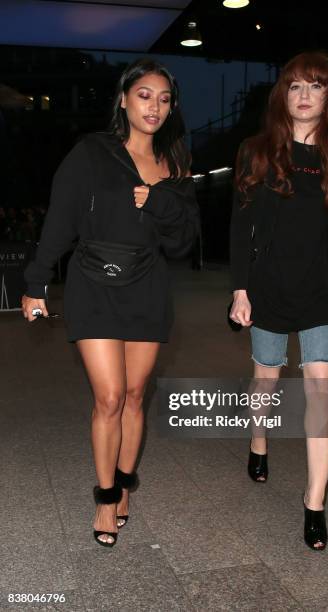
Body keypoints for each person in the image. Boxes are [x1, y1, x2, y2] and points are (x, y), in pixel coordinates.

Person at [21, 58, 199, 548]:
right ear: (124, 99)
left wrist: (158, 199)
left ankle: (124, 486)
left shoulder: (177, 162)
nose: (154, 107)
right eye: (144, 95)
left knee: (137, 397)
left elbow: (184, 241)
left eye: (164, 99)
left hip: (147, 287)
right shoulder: (92, 153)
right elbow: (60, 219)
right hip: (93, 284)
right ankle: (104, 497)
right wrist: (36, 283)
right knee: (110, 397)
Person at [229, 52, 328, 550]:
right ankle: (258, 442)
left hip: (321, 287)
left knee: (321, 391)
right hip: (268, 284)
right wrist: (240, 288)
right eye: (296, 86)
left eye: (316, 86)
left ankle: (315, 502)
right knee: (266, 375)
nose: (304, 96)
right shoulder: (256, 150)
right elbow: (242, 225)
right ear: (283, 94)